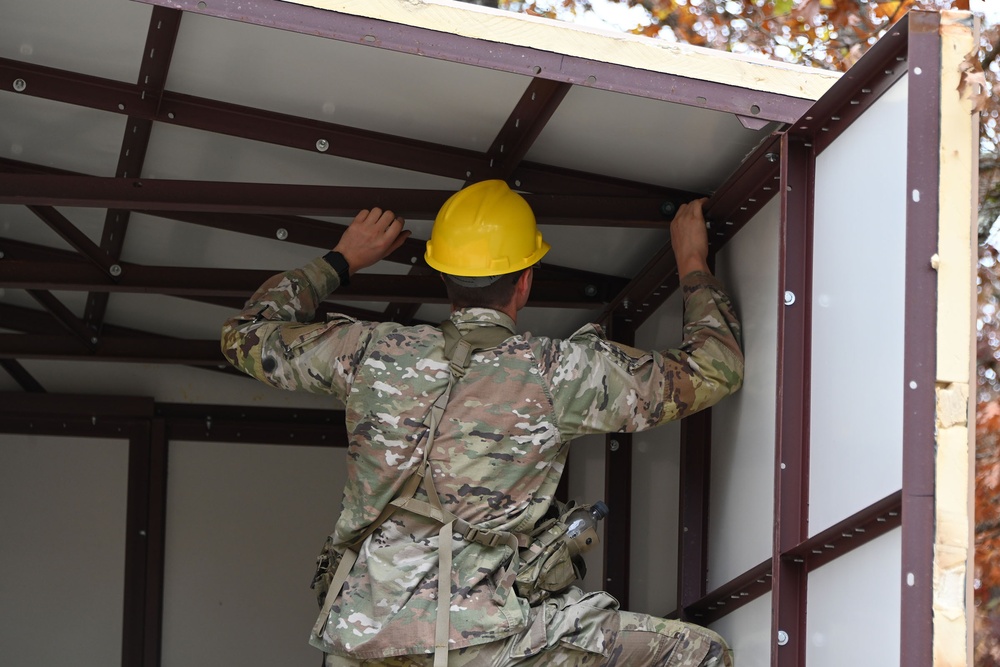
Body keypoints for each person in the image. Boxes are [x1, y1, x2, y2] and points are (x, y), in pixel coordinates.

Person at [221, 180, 743, 667]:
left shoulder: (369, 352)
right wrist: (692, 260)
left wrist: (342, 259)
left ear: (443, 276)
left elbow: (245, 335)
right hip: (483, 643)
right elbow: (714, 369)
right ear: (526, 280)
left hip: (357, 642)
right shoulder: (558, 371)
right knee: (700, 653)